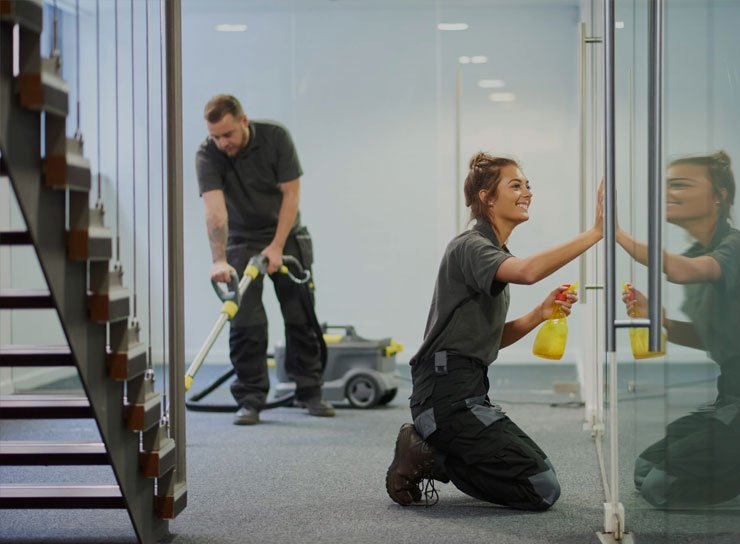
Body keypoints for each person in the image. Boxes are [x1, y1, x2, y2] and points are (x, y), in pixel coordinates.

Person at [385, 152, 603, 510]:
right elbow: (528, 271)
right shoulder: (471, 246)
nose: (527, 192)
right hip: (444, 397)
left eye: (527, 185)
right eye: (515, 185)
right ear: (487, 197)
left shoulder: (492, 250)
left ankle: (435, 449)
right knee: (540, 489)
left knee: (539, 476)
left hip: (467, 391)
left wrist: (539, 314)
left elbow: (485, 339)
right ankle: (429, 454)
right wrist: (595, 233)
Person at [195, 94, 334, 425]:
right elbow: (215, 212)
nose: (222, 142)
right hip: (241, 241)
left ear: (243, 121)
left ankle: (309, 391)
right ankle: (251, 398)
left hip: (286, 235)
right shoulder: (207, 153)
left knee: (300, 316)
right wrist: (218, 259)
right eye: (215, 136)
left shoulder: (275, 138)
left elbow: (291, 195)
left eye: (227, 134)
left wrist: (276, 246)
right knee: (245, 323)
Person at [618, 151, 740, 507]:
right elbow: (719, 338)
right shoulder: (703, 249)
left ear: (719, 195)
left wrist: (616, 234)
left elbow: (683, 270)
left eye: (681, 184)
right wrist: (664, 323)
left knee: (661, 487)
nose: (668, 193)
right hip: (728, 398)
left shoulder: (733, 246)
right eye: (667, 185)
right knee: (646, 469)